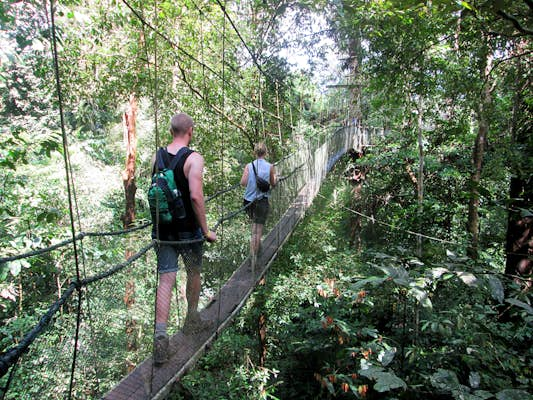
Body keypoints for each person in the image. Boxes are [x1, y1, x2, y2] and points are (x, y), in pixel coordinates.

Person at [152, 112, 217, 365]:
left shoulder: (157, 157)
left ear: (171, 131)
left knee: (166, 280)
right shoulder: (194, 158)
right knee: (194, 272)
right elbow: (195, 197)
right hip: (189, 231)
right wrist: (205, 230)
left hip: (164, 231)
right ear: (190, 130)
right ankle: (192, 318)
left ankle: (160, 338)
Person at [240, 142, 277, 271]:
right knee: (257, 232)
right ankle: (253, 260)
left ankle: (256, 250)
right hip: (261, 202)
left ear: (255, 153)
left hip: (248, 202)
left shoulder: (249, 166)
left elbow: (243, 183)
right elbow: (273, 183)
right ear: (265, 153)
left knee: (255, 229)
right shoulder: (270, 167)